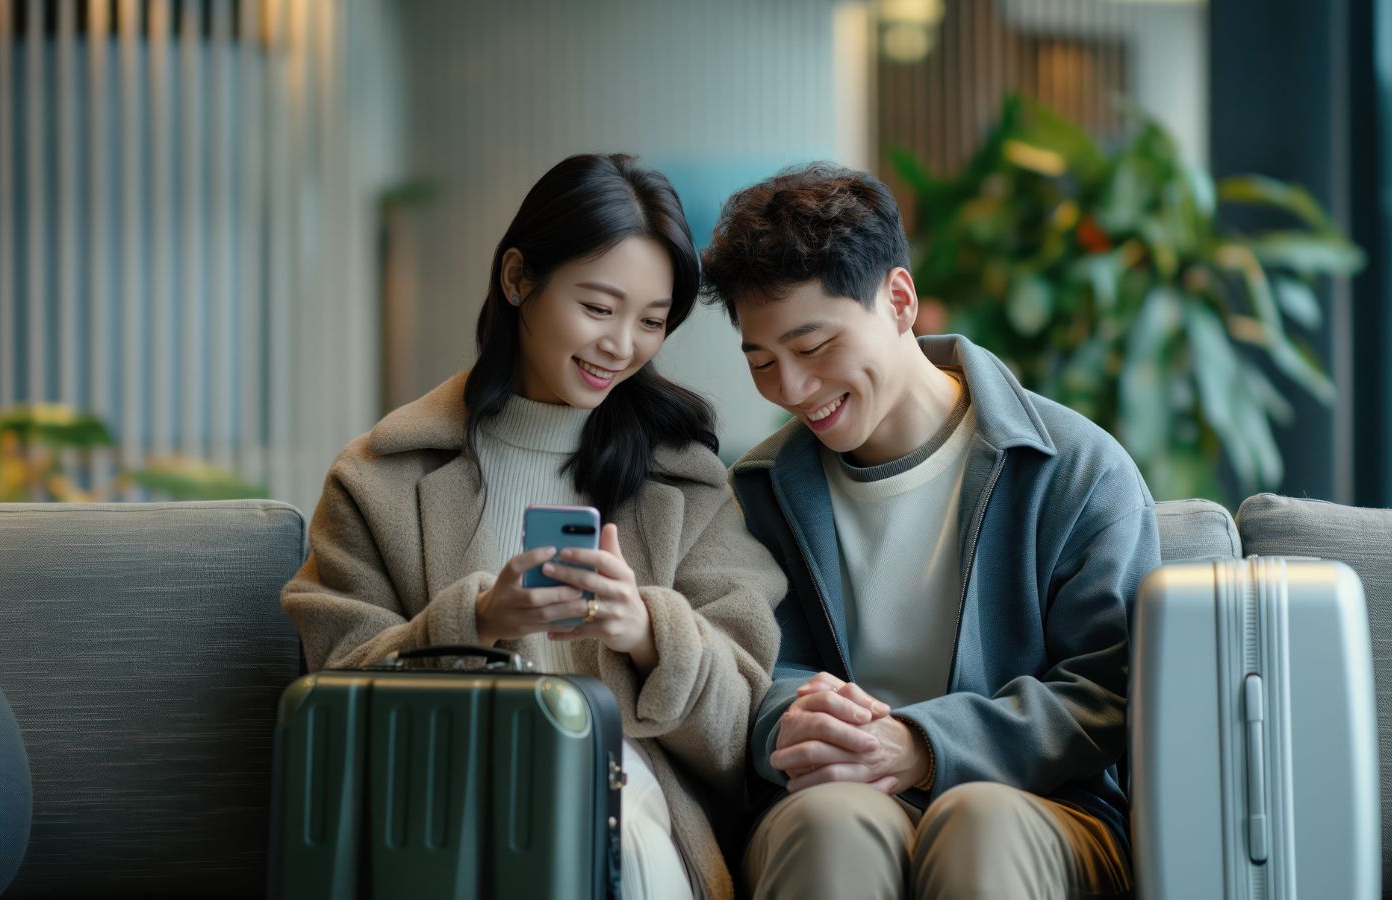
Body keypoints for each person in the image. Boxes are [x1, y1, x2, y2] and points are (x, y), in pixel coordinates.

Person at [282, 153, 784, 900]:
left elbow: (742, 728)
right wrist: (476, 622)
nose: (622, 346)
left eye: (652, 321)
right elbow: (331, 700)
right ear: (518, 279)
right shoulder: (381, 475)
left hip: (629, 820)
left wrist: (647, 631)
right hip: (435, 815)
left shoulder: (682, 479)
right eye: (597, 307)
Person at [700, 163, 1159, 899]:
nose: (790, 389)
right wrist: (789, 721)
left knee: (978, 820)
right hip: (832, 800)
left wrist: (921, 747)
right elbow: (741, 666)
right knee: (829, 824)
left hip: (1044, 808)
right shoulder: (759, 490)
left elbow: (1109, 692)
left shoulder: (1076, 469)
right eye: (762, 361)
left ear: (900, 300)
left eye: (814, 347)